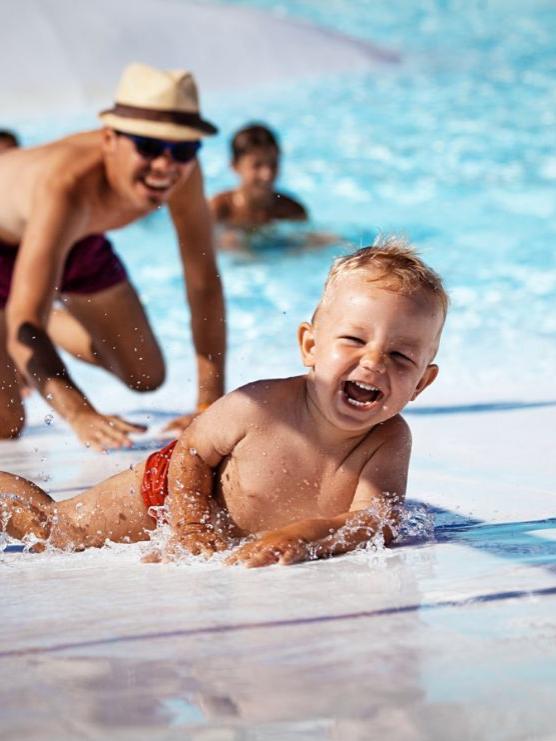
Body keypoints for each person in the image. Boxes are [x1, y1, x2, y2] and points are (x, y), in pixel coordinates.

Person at [0, 240, 448, 567]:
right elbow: (193, 450)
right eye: (353, 339)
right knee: (53, 531)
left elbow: (375, 519)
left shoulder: (387, 440)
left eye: (400, 356)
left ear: (421, 384)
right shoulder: (262, 404)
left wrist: (306, 537)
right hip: (168, 490)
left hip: (218, 517)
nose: (373, 363)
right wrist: (191, 522)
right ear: (310, 346)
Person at [0, 63, 225, 450]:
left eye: (184, 149)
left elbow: (203, 282)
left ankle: (41, 310)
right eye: (149, 147)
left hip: (77, 240)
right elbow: (25, 322)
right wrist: (80, 413)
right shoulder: (66, 187)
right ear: (109, 139)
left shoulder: (183, 175)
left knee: (145, 373)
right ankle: (24, 306)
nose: (166, 166)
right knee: (7, 424)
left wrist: (209, 403)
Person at [210, 123, 307, 231]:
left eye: (273, 164)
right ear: (235, 166)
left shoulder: (291, 211)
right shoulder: (219, 210)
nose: (267, 174)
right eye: (257, 165)